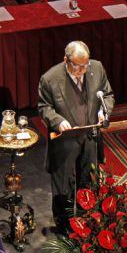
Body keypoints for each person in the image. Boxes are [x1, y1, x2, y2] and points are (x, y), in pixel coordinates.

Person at [38, 41, 114, 230]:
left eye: (85, 65)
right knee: (64, 186)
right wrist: (56, 120)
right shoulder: (50, 79)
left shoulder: (96, 68)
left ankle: (86, 222)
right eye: (78, 66)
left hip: (89, 137)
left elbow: (107, 94)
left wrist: (104, 111)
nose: (83, 70)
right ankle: (65, 227)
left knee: (88, 181)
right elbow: (44, 107)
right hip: (65, 141)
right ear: (66, 60)